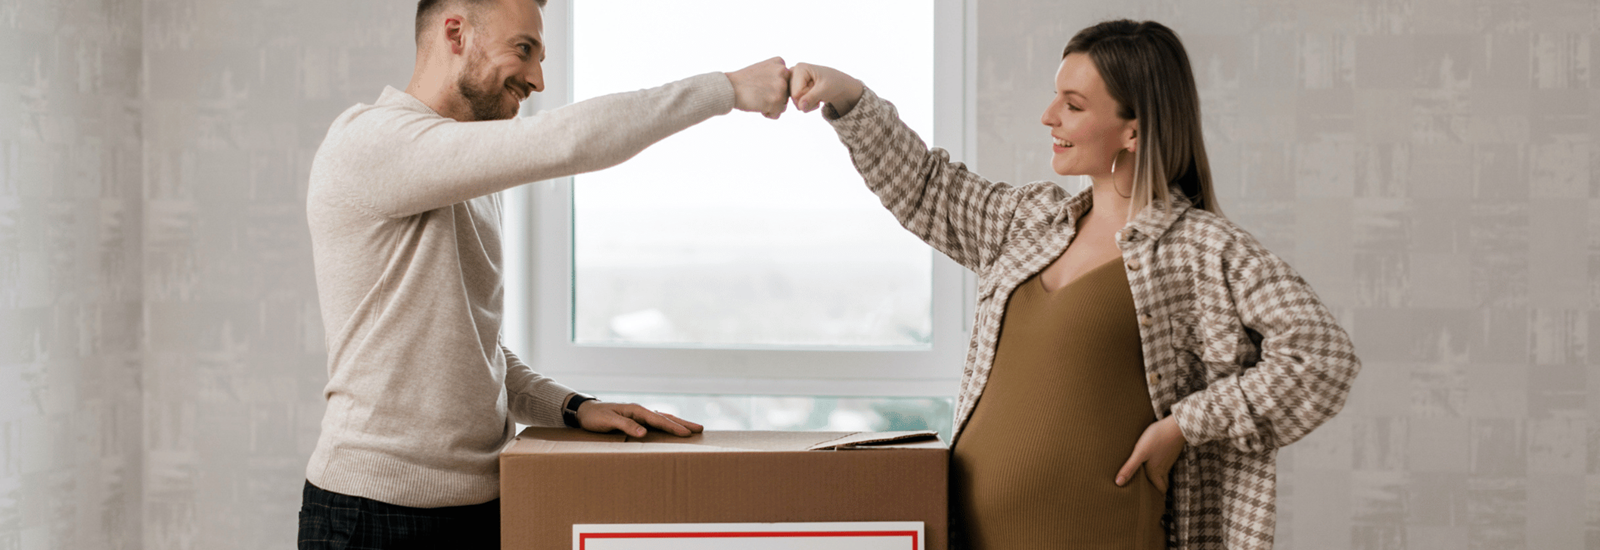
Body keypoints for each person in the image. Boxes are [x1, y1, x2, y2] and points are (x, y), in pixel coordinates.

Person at [788, 19, 1359, 550]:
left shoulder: (1202, 250)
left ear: (1132, 130)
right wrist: (848, 96)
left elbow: (1322, 355)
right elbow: (928, 187)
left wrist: (1183, 426)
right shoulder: (1029, 222)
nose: (1048, 116)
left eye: (1073, 104)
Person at [296, 0, 792, 547]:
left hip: (482, 503)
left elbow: (474, 346)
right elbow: (568, 140)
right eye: (523, 50)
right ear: (455, 33)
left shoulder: (469, 178)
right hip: (375, 513)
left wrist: (571, 407)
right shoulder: (368, 141)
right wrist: (725, 89)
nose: (537, 79)